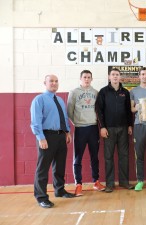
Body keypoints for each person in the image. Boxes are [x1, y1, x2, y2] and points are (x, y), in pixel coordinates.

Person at [30, 74, 75, 209]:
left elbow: (64, 118)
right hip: (46, 136)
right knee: (43, 168)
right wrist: (41, 138)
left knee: (59, 166)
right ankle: (41, 197)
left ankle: (59, 190)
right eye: (51, 81)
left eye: (56, 81)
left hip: (61, 136)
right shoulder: (39, 99)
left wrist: (67, 132)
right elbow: (35, 121)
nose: (54, 83)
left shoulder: (60, 100)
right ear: (45, 83)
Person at [95, 68, 134, 193]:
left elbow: (129, 111)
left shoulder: (125, 93)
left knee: (124, 156)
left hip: (123, 128)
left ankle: (124, 182)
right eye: (113, 75)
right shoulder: (103, 92)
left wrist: (129, 125)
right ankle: (110, 184)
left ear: (120, 77)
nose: (115, 77)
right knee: (108, 157)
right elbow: (98, 111)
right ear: (109, 77)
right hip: (109, 129)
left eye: (117, 75)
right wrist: (102, 127)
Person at [67, 70, 105, 197]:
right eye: (84, 77)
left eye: (89, 77)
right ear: (80, 78)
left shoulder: (96, 92)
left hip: (93, 128)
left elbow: (99, 110)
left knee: (95, 156)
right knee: (78, 157)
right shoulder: (74, 92)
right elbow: (69, 112)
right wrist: (77, 122)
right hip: (80, 128)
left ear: (91, 79)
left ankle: (96, 181)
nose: (87, 79)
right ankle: (78, 184)